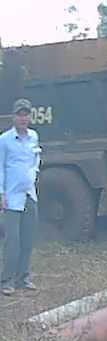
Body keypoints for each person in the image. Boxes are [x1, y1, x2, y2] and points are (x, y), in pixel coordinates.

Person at [0, 98, 41, 296]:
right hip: (11, 198)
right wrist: (1, 194)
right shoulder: (4, 140)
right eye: (19, 114)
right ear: (13, 117)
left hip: (29, 195)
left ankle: (23, 277)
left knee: (28, 238)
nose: (23, 118)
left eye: (26, 114)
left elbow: (35, 158)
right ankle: (6, 280)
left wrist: (34, 174)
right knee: (12, 240)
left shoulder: (33, 136)